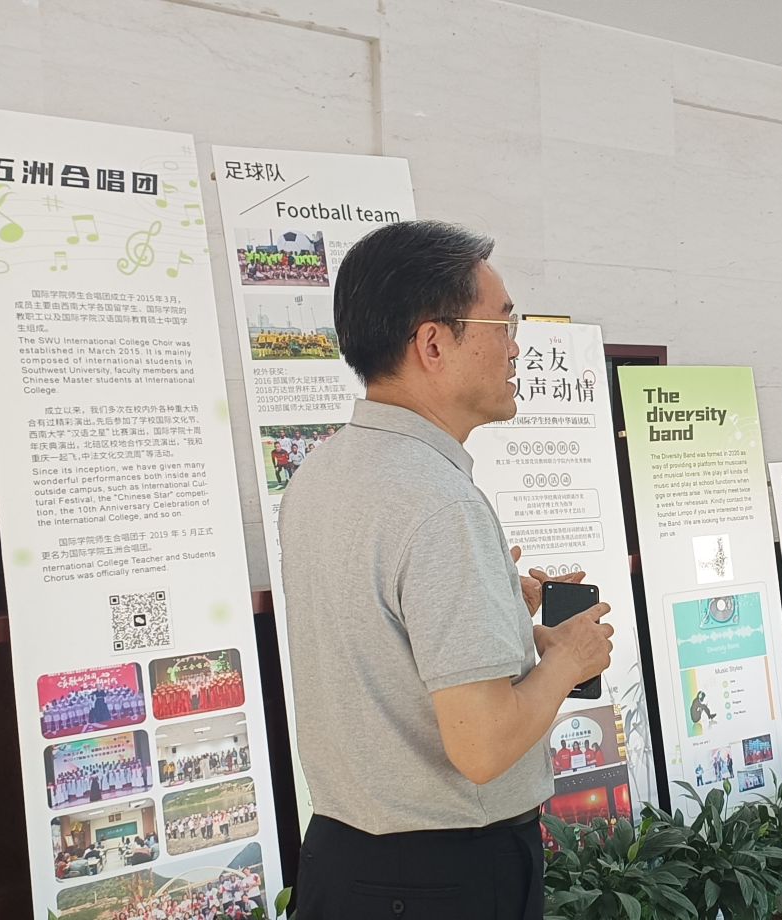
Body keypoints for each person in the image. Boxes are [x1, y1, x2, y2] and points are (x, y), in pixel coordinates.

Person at [281, 220, 614, 918]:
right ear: (433, 343)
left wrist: (496, 605)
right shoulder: (440, 504)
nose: (516, 346)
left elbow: (382, 632)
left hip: (341, 860)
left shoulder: (322, 471)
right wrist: (569, 659)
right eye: (503, 322)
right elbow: (483, 747)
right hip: (443, 878)